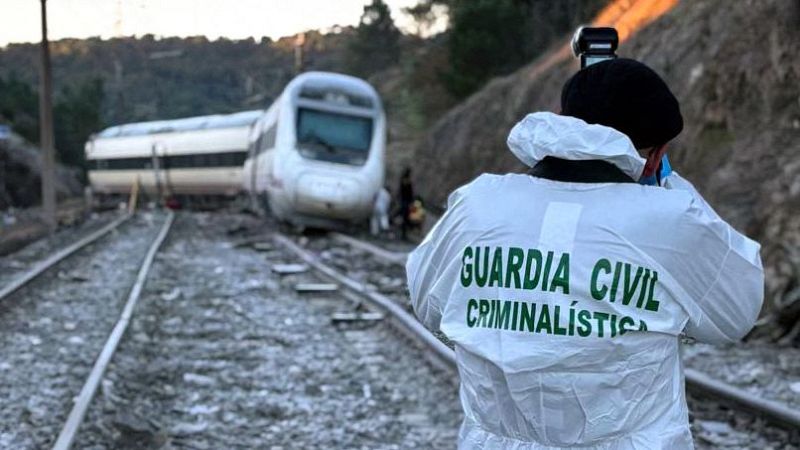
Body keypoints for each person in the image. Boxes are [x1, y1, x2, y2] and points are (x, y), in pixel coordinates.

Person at [405, 58, 763, 449]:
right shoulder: (671, 219)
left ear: (561, 119)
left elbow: (429, 305)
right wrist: (672, 187)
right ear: (657, 156)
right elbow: (736, 314)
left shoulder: (476, 204)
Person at [398, 167, 414, 240]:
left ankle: (403, 234)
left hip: (403, 201)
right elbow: (410, 193)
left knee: (405, 218)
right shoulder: (408, 182)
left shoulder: (402, 181)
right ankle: (404, 234)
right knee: (406, 218)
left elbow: (400, 191)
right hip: (406, 202)